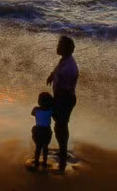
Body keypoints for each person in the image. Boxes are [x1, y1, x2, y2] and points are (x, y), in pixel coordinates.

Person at [46, 35, 79, 173]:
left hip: (65, 99)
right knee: (60, 125)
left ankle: (63, 156)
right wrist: (51, 75)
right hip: (61, 98)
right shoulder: (64, 60)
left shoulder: (70, 68)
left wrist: (55, 102)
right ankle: (62, 151)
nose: (57, 47)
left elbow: (66, 90)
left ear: (66, 49)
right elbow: (57, 69)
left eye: (59, 46)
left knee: (60, 126)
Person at [29, 91, 54, 171]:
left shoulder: (35, 109)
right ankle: (44, 163)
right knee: (45, 147)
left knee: (38, 147)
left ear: (39, 101)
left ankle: (36, 162)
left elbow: (32, 114)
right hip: (46, 130)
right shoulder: (51, 110)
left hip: (38, 129)